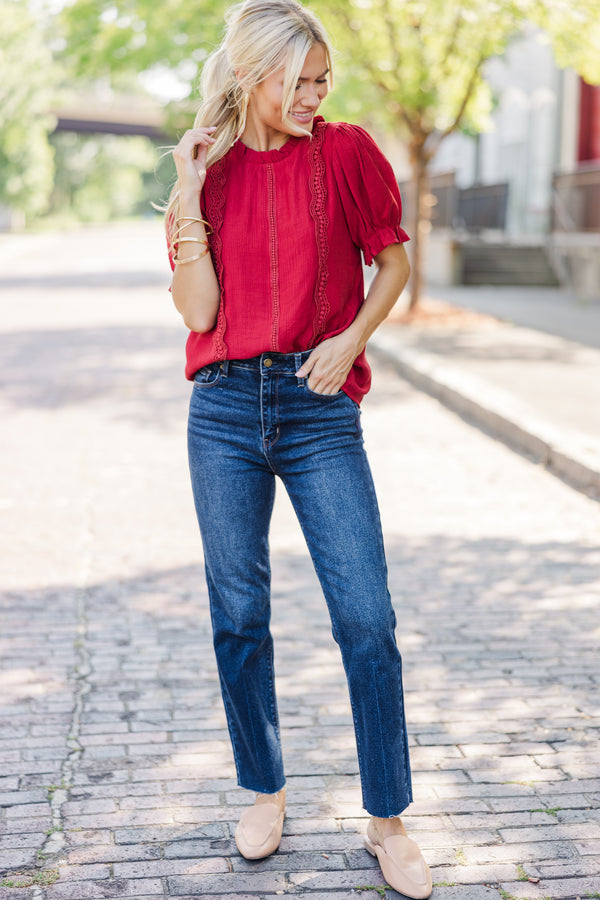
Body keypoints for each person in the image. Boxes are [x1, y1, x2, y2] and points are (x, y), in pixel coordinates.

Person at [165, 1, 431, 896]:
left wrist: (351, 340)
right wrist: (189, 188)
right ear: (253, 77)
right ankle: (265, 789)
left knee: (367, 617)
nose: (317, 95)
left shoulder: (348, 152)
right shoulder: (213, 169)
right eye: (300, 81)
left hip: (319, 411)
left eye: (324, 79)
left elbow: (392, 263)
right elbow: (199, 314)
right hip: (226, 410)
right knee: (239, 614)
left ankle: (387, 820)